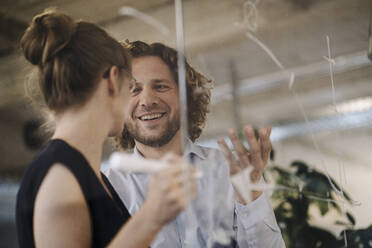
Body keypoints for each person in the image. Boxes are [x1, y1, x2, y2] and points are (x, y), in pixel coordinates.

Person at [16, 10, 196, 248]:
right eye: (130, 86)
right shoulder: (60, 179)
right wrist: (151, 217)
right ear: (112, 80)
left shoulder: (89, 175)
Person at [105, 41, 286, 247]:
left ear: (186, 97)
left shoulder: (230, 169)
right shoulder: (108, 188)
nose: (147, 100)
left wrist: (251, 195)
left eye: (160, 86)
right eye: (133, 90)